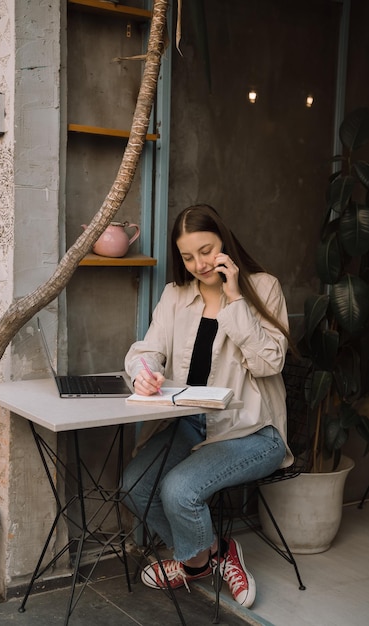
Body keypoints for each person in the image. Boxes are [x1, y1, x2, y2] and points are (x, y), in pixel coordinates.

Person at [122, 204, 295, 608]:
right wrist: (143, 371)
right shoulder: (175, 295)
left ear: (224, 242)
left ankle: (191, 560)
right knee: (135, 484)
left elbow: (270, 362)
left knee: (179, 490)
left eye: (206, 250)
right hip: (191, 423)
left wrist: (235, 299)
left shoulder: (263, 287)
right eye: (187, 256)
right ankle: (208, 556)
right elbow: (146, 350)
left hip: (252, 430)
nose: (198, 263)